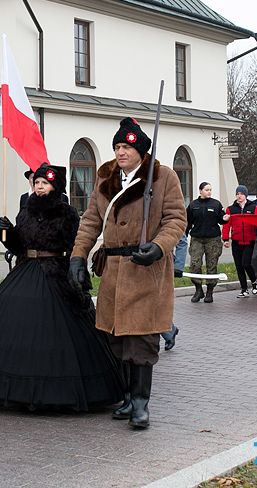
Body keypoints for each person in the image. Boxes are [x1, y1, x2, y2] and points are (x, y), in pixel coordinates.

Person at [0, 164, 123, 410]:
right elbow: (16, 245)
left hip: (55, 272)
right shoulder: (25, 212)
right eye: (37, 183)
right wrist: (6, 233)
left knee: (59, 327)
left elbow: (74, 246)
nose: (39, 187)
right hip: (25, 269)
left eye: (44, 183)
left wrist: (74, 273)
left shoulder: (67, 213)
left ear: (55, 186)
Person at [69, 117, 187, 430]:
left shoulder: (163, 177)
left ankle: (141, 404)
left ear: (141, 150)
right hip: (112, 271)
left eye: (127, 147)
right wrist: (77, 257)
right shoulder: (105, 177)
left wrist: (160, 246)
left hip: (146, 269)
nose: (121, 152)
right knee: (116, 338)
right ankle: (125, 399)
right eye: (118, 146)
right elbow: (91, 221)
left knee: (142, 339)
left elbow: (176, 220)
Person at [185, 182, 229, 303]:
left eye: (210, 189)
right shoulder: (193, 205)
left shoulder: (216, 204)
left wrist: (224, 219)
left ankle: (210, 292)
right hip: (197, 238)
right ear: (200, 191)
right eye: (206, 190)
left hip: (212, 239)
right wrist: (184, 234)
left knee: (212, 265)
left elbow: (221, 219)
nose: (209, 192)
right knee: (194, 264)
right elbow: (188, 221)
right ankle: (198, 290)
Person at [223, 185, 257, 297]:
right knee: (239, 266)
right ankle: (244, 289)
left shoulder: (253, 208)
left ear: (246, 195)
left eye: (241, 194)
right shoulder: (231, 209)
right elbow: (226, 225)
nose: (239, 196)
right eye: (237, 194)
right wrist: (225, 239)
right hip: (236, 240)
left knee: (246, 263)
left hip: (249, 240)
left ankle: (254, 282)